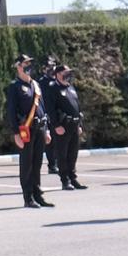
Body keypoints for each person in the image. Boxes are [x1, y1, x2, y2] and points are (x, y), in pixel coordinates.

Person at [6, 56, 52, 209]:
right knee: (27, 163)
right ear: (18, 66)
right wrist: (16, 133)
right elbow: (12, 111)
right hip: (25, 129)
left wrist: (47, 130)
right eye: (25, 63)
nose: (29, 66)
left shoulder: (36, 85)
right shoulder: (15, 86)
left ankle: (38, 195)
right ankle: (28, 197)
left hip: (39, 128)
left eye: (30, 63)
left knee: (37, 163)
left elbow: (43, 109)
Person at [43, 62, 86, 191]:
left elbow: (77, 107)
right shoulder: (53, 88)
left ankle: (73, 178)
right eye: (65, 73)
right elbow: (50, 109)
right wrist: (56, 125)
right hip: (62, 126)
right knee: (62, 154)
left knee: (73, 153)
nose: (68, 75)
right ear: (58, 74)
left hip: (74, 124)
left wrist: (79, 124)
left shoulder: (70, 87)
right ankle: (65, 180)